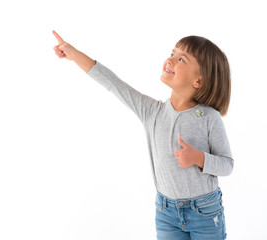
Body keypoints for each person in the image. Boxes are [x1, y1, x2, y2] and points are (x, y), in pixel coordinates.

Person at [52, 30, 233, 240]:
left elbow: (227, 165)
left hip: (204, 211)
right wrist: (74, 55)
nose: (170, 60)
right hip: (166, 212)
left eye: (181, 59)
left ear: (198, 82)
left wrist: (198, 158)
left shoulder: (209, 117)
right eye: (172, 53)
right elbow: (113, 83)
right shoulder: (152, 111)